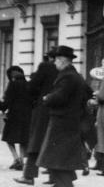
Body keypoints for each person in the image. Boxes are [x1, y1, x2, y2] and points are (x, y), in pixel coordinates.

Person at [36, 46, 90, 187]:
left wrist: (47, 98)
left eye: (56, 60)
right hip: (69, 123)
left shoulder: (67, 76)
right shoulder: (75, 76)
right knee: (59, 165)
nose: (54, 63)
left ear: (61, 60)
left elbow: (59, 97)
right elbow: (87, 93)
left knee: (58, 164)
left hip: (62, 124)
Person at [15, 50, 57, 185]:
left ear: (50, 57)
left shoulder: (45, 66)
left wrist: (35, 100)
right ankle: (54, 176)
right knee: (53, 142)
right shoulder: (69, 70)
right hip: (59, 109)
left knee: (35, 142)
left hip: (43, 109)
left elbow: (32, 87)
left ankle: (29, 175)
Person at [0, 65, 32, 170]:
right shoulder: (28, 84)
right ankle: (22, 161)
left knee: (9, 139)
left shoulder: (12, 84)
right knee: (23, 140)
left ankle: (16, 159)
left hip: (14, 116)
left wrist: (2, 106)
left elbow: (6, 102)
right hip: (27, 116)